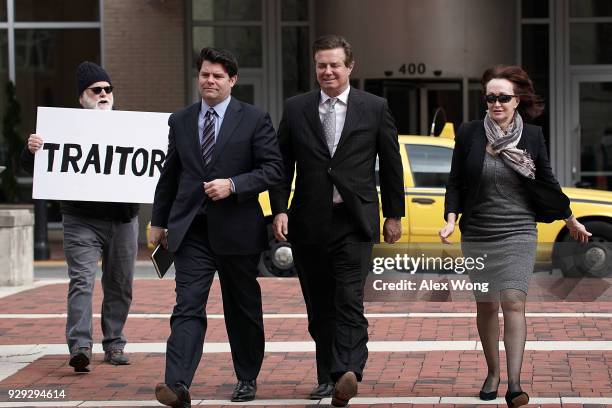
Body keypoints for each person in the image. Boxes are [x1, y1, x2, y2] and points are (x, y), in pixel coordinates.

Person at [439, 65, 591, 408]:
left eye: (503, 98)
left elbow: (547, 182)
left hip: (519, 230)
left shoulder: (533, 136)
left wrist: (570, 219)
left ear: (516, 100)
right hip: (478, 230)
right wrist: (451, 220)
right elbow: (456, 182)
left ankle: (515, 384)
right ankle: (492, 373)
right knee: (487, 304)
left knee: (513, 302)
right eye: (490, 97)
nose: (496, 103)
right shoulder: (470, 133)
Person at [269, 34, 404, 407]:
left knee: (348, 298)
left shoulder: (374, 107)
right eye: (321, 65)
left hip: (353, 219)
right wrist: (279, 208)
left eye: (334, 65)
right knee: (319, 306)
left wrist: (394, 215)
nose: (327, 71)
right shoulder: (296, 108)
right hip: (309, 221)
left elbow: (391, 165)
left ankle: (349, 371)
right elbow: (281, 166)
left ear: (350, 67)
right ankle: (329, 376)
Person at [150, 47, 283, 408]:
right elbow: (171, 174)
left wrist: (234, 185)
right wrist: (158, 221)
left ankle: (246, 377)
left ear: (232, 80)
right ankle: (177, 385)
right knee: (187, 304)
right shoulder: (180, 120)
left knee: (241, 307)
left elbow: (273, 170)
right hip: (191, 229)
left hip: (237, 229)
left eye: (217, 76)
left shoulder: (255, 119)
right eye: (205, 74)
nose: (209, 81)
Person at [21, 61, 138, 372]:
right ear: (81, 97)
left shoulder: (133, 128)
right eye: (95, 90)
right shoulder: (61, 128)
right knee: (82, 280)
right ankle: (80, 346)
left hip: (123, 219)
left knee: (120, 283)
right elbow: (34, 168)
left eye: (107, 89)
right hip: (81, 219)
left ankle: (114, 343)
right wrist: (31, 150)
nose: (103, 94)